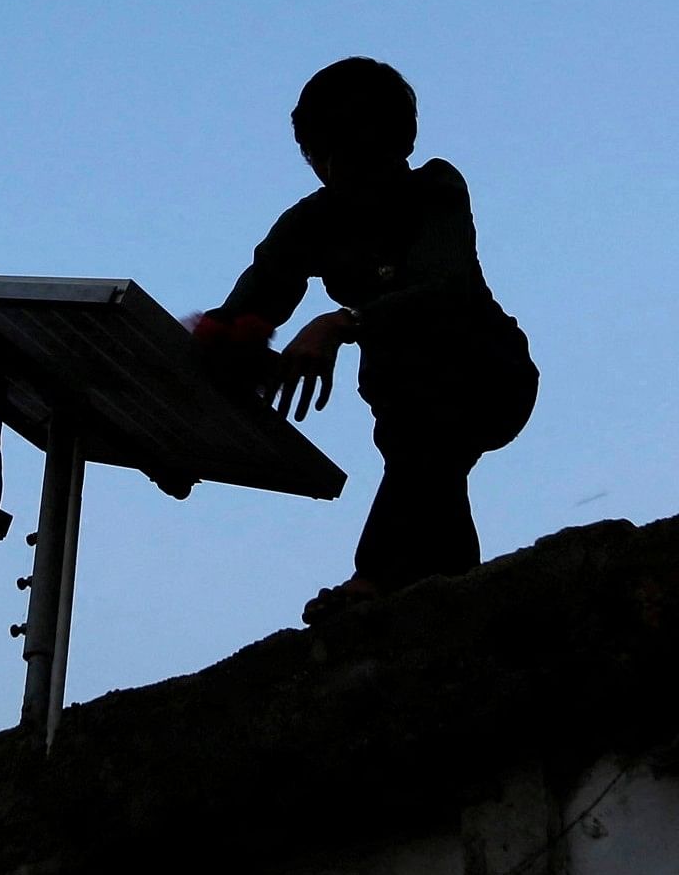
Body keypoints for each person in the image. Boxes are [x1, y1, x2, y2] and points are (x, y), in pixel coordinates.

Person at [194, 57, 539, 623]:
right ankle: (445, 591)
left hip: (485, 371)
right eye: (335, 148)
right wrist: (228, 351)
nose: (350, 164)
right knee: (430, 473)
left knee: (425, 443)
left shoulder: (435, 187)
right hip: (405, 400)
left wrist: (338, 324)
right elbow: (253, 301)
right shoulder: (309, 223)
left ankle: (378, 575)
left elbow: (444, 287)